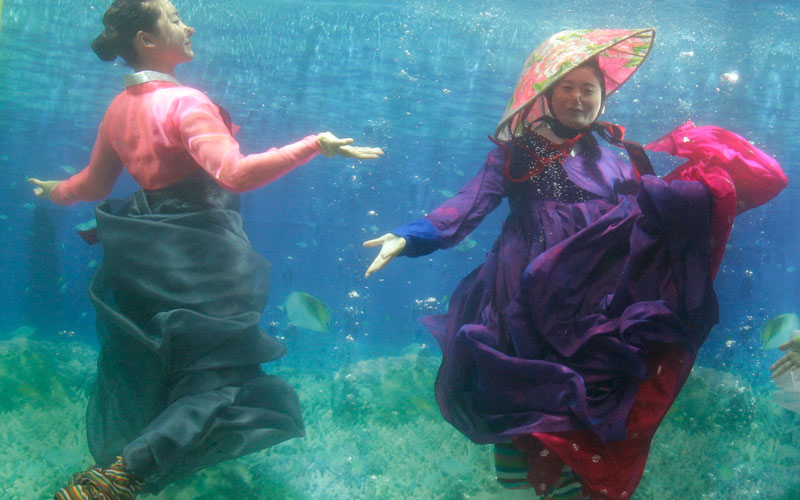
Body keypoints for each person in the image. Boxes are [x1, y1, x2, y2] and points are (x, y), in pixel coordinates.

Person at [364, 29, 787, 499]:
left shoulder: (624, 153)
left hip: (599, 301)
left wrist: (709, 185)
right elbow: (470, 204)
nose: (577, 96)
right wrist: (409, 236)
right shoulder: (518, 149)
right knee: (517, 391)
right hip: (522, 295)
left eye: (589, 88)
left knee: (591, 396)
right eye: (566, 86)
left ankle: (577, 488)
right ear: (547, 93)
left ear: (602, 98)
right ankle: (521, 490)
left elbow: (655, 215)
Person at [29, 1, 382, 498]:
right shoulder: (184, 103)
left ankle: (121, 469)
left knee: (168, 364)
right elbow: (234, 173)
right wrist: (313, 145)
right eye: (174, 18)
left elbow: (93, 184)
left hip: (146, 250)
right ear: (146, 40)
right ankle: (118, 477)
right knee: (222, 376)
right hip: (204, 254)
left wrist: (54, 191)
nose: (188, 25)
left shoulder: (119, 109)